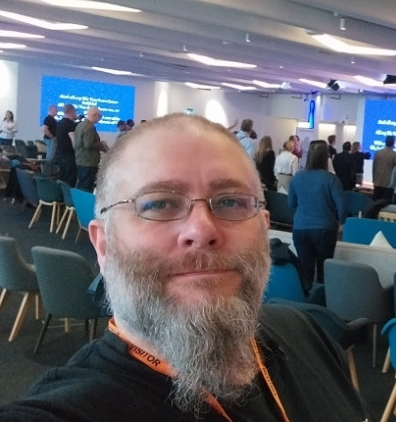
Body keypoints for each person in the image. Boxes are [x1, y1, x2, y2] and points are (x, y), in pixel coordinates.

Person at [0, 113, 373, 421]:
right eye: (159, 204)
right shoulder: (69, 409)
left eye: (230, 202)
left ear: (263, 229)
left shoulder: (309, 333)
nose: (202, 230)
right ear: (104, 245)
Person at [288, 142, 345, 284]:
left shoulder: (297, 177)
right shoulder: (331, 179)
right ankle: (320, 296)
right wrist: (341, 223)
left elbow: (291, 203)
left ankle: (306, 296)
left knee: (305, 270)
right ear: (326, 157)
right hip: (325, 229)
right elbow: (342, 207)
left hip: (300, 228)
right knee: (323, 271)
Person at [74, 106, 109, 192]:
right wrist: (100, 144)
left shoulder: (80, 125)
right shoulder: (89, 127)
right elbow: (88, 144)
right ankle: (84, 201)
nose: (99, 119)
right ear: (94, 115)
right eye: (99, 116)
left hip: (81, 160)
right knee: (86, 187)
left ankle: (80, 200)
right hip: (88, 162)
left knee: (82, 184)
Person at [54, 104, 78, 186]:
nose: (76, 113)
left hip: (60, 155)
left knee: (62, 179)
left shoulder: (59, 123)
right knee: (69, 181)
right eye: (75, 111)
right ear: (71, 111)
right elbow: (73, 140)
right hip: (69, 157)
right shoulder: (70, 124)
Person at [372, 135, 396, 201]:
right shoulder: (395, 155)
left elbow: (374, 167)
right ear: (393, 143)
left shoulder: (378, 153)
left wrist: (374, 180)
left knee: (376, 203)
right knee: (386, 204)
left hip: (378, 182)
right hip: (389, 184)